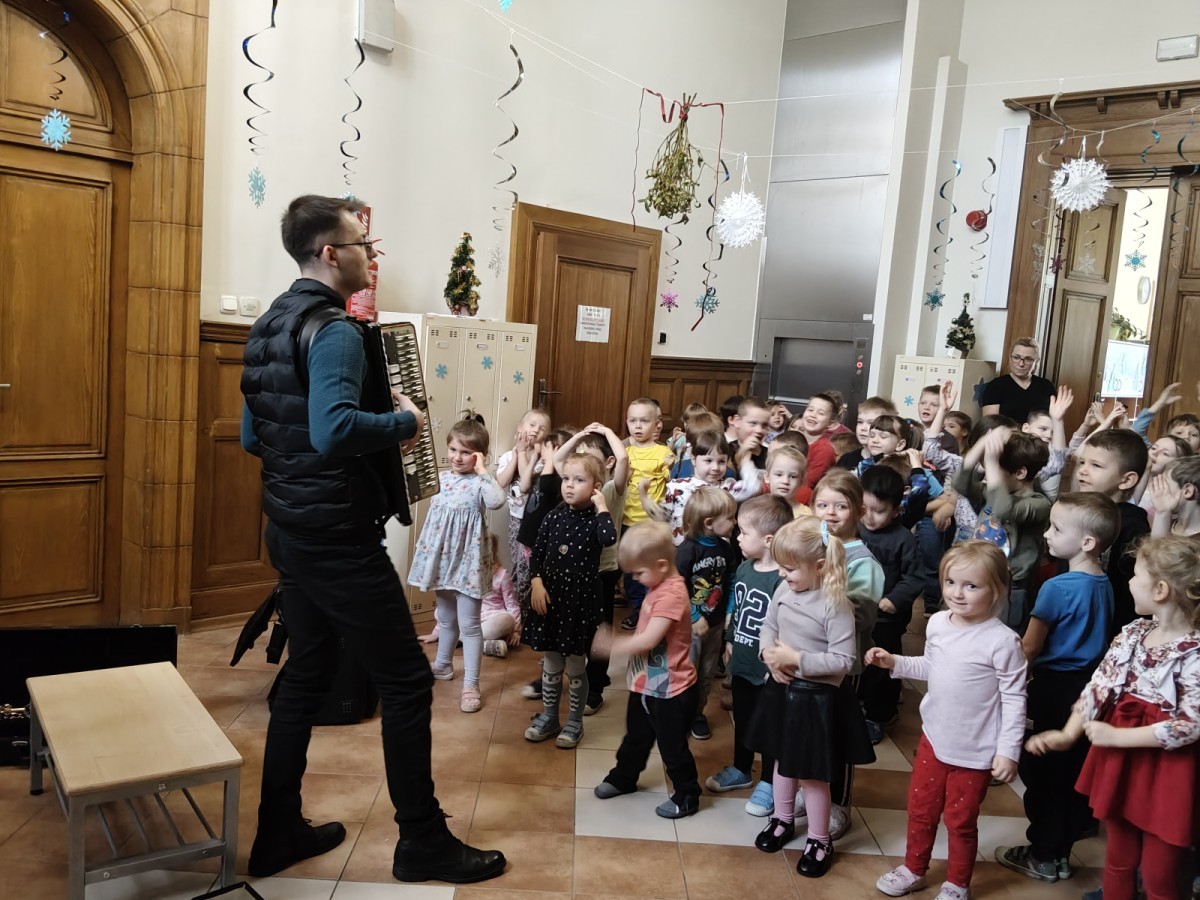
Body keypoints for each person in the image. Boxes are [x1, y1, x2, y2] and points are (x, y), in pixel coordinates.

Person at [240, 194, 503, 883]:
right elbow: (333, 431)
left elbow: (252, 437)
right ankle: (422, 841)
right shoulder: (333, 332)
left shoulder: (267, 325)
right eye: (362, 243)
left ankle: (277, 831)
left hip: (289, 528)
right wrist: (405, 424)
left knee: (306, 672)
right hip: (337, 537)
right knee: (407, 682)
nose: (371, 253)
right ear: (331, 254)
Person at [1026, 535, 1200, 900]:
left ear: (1161, 590)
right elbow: (1099, 686)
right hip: (1122, 764)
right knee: (1118, 858)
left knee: (1162, 873)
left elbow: (1190, 724)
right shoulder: (1133, 633)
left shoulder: (1194, 653)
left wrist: (1118, 737)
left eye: (1136, 575)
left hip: (1169, 772)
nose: (1129, 582)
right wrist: (1068, 734)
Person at [871, 541, 1027, 900]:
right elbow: (931, 666)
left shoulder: (1003, 642)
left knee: (960, 821)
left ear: (996, 591)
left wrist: (1007, 751)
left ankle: (957, 882)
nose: (957, 593)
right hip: (934, 739)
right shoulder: (939, 623)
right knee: (920, 809)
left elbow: (1015, 699)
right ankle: (913, 867)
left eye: (971, 586)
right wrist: (895, 662)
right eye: (951, 582)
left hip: (975, 751)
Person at [996, 492, 1120, 884]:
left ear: (1087, 542)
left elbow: (1030, 647)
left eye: (1056, 528)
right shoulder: (1104, 582)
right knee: (1069, 775)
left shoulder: (1058, 586)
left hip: (1052, 689)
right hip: (1088, 691)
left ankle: (1043, 855)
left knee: (1042, 774)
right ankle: (1060, 854)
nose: (1047, 534)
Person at [746, 517, 868, 879]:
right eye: (781, 567)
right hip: (782, 691)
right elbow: (769, 625)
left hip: (816, 700)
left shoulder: (835, 604)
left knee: (813, 775)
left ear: (819, 566)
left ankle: (819, 839)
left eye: (789, 568)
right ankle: (782, 818)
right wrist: (769, 656)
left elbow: (843, 661)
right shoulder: (784, 591)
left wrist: (797, 659)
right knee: (782, 760)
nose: (781, 574)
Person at [591, 522, 702, 819]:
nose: (636, 580)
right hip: (646, 683)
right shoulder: (657, 584)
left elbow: (650, 640)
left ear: (662, 565)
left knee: (672, 747)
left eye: (639, 573)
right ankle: (624, 777)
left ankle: (687, 794)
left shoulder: (672, 594)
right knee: (636, 736)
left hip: (671, 689)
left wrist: (613, 645)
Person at [408, 415, 507, 714]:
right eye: (453, 449)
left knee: (470, 625)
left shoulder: (480, 483)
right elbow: (411, 482)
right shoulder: (441, 478)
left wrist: (483, 470)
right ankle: (442, 665)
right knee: (446, 618)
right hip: (443, 561)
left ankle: (471, 684)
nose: (457, 457)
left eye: (466, 452)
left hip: (468, 564)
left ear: (479, 455)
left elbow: (497, 501)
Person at [523, 452, 617, 747]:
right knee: (551, 662)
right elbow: (537, 554)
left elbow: (609, 538)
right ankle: (550, 717)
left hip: (578, 603)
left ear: (596, 487)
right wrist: (536, 582)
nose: (569, 485)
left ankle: (575, 722)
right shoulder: (553, 516)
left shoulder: (596, 521)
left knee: (575, 665)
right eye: (566, 479)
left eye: (579, 480)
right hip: (550, 598)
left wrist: (602, 507)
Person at [707, 495, 793, 815]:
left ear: (768, 539)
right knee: (743, 717)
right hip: (742, 659)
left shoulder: (783, 578)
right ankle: (741, 768)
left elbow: (786, 623)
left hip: (768, 668)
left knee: (770, 724)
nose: (737, 537)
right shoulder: (744, 567)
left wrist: (777, 659)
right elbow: (738, 606)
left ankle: (770, 781)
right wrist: (730, 640)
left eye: (744, 532)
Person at [810, 469, 883, 836]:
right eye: (822, 505)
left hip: (843, 663)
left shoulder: (862, 561)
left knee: (837, 733)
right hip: (810, 658)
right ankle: (811, 791)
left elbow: (861, 615)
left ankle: (839, 802)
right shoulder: (811, 547)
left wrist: (817, 605)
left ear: (859, 511)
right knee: (810, 730)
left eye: (840, 506)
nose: (830, 513)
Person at [554, 425, 630, 715]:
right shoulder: (575, 485)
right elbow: (559, 460)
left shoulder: (611, 489)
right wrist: (578, 437)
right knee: (570, 625)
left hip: (603, 572)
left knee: (598, 632)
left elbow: (623, 459)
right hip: (574, 571)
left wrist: (608, 432)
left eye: (589, 456)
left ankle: (595, 686)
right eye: (579, 455)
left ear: (606, 464)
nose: (581, 460)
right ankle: (560, 675)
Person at [953, 428, 1051, 632]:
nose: (990, 476)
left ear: (1020, 473)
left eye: (997, 471)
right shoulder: (994, 493)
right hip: (981, 575)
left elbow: (1004, 510)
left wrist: (992, 463)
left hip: (1012, 587)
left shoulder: (1039, 504)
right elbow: (960, 484)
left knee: (1003, 635)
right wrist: (982, 443)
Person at [857, 466, 921, 744]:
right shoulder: (854, 529)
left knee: (881, 667)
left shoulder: (903, 540)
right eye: (865, 508)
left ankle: (878, 714)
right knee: (856, 659)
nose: (870, 516)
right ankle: (857, 704)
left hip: (885, 618)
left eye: (879, 511)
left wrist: (894, 599)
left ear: (896, 510)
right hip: (854, 611)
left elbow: (915, 577)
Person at [675, 486, 738, 741]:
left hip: (715, 624)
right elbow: (675, 587)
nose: (735, 522)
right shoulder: (687, 550)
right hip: (689, 627)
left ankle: (697, 714)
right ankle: (678, 715)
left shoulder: (725, 548)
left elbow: (731, 581)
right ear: (710, 523)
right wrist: (693, 616)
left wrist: (730, 612)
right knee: (686, 673)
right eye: (731, 517)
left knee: (707, 673)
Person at [1073, 428, 1150, 632]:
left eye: (1096, 465)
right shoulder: (1079, 512)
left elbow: (1129, 592)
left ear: (1126, 480)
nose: (1083, 470)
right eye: (1082, 462)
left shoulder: (1132, 526)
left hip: (1108, 629)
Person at [639, 429, 760, 545]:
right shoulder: (677, 487)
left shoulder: (725, 488)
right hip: (681, 551)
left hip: (715, 553)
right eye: (708, 461)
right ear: (693, 459)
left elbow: (753, 486)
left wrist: (745, 461)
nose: (715, 467)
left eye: (721, 461)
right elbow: (662, 517)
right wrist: (644, 496)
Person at [418, 532, 521, 658]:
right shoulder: (465, 573)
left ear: (492, 551)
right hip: (468, 618)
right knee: (441, 610)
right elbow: (455, 601)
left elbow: (512, 604)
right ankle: (484, 645)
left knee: (507, 620)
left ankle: (459, 638)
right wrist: (436, 632)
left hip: (491, 619)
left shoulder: (502, 574)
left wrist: (516, 631)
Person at [620, 398, 675, 631]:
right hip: (627, 520)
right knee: (631, 571)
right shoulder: (625, 452)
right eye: (633, 421)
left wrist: (672, 466)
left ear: (656, 424)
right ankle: (637, 609)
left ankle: (653, 609)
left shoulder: (663, 452)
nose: (638, 426)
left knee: (652, 569)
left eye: (644, 421)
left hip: (652, 524)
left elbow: (672, 485)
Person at [494, 409, 551, 617]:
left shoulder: (544, 460)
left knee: (532, 566)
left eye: (542, 428)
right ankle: (520, 612)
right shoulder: (509, 456)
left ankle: (529, 612)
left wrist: (527, 454)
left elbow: (526, 484)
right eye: (532, 425)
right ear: (520, 428)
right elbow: (501, 482)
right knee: (519, 565)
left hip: (537, 522)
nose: (535, 430)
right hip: (517, 520)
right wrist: (517, 453)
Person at [980, 337, 1057, 423]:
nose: (1021, 364)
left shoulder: (1047, 387)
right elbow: (990, 425)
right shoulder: (995, 386)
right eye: (1016, 357)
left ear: (1036, 362)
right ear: (1010, 359)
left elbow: (1054, 420)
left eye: (1028, 359)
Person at [795, 394, 841, 501]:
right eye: (810, 410)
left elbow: (808, 483)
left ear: (830, 423)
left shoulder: (824, 449)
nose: (813, 415)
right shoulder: (795, 440)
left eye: (821, 413)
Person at [839, 397, 899, 471]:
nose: (863, 428)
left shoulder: (895, 465)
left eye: (871, 423)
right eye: (860, 422)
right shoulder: (846, 459)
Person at [1150, 456, 1200, 540]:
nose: (1159, 487)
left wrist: (1162, 513)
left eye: (1164, 483)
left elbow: (1156, 548)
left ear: (1187, 491)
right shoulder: (1168, 522)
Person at [764, 445, 811, 517]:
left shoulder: (806, 516)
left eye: (793, 476)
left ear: (801, 481)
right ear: (767, 477)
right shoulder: (756, 508)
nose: (785, 481)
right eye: (779, 475)